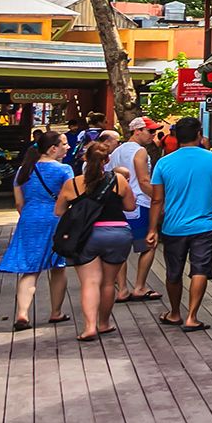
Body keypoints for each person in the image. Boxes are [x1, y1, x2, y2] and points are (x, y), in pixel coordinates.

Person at [146, 117, 212, 333]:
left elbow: (157, 200)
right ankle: (192, 316)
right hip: (205, 226)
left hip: (173, 227)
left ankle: (175, 313)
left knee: (173, 272)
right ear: (199, 135)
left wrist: (152, 229)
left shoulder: (164, 163)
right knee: (200, 269)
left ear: (176, 137)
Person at [53, 132, 136, 342]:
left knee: (90, 283)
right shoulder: (118, 180)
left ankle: (89, 327)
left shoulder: (73, 184)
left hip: (87, 236)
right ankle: (104, 323)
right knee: (108, 283)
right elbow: (130, 206)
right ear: (107, 160)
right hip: (117, 233)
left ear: (84, 158)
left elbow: (59, 211)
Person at [0, 131, 73, 331]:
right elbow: (69, 198)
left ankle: (22, 314)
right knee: (58, 266)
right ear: (52, 148)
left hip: (29, 219)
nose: (68, 147)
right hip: (55, 219)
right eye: (64, 144)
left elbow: (19, 202)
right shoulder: (64, 170)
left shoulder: (23, 170)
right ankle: (56, 312)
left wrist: (29, 215)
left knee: (30, 269)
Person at [109, 117, 162, 306]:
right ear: (137, 131)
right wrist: (160, 200)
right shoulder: (140, 152)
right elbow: (144, 181)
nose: (153, 135)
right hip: (140, 203)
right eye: (150, 131)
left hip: (119, 204)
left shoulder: (116, 151)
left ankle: (122, 288)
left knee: (121, 248)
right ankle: (139, 286)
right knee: (149, 244)